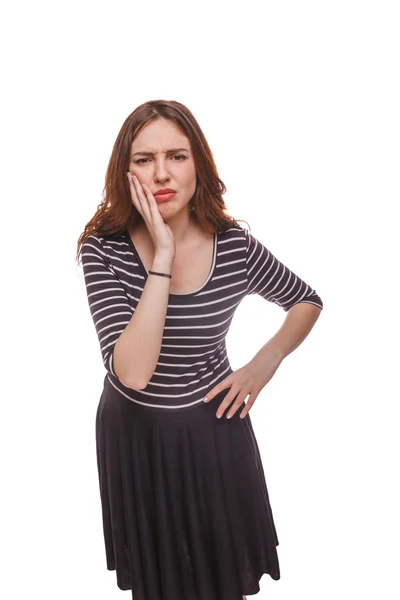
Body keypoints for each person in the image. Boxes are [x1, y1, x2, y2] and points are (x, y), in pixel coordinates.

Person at [76, 100, 323, 600]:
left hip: (213, 431)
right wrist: (163, 255)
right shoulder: (103, 249)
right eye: (144, 159)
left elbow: (305, 301)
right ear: (126, 172)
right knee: (160, 581)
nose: (162, 173)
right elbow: (134, 372)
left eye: (177, 156)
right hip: (136, 436)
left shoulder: (233, 247)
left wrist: (263, 364)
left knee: (220, 575)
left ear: (199, 165)